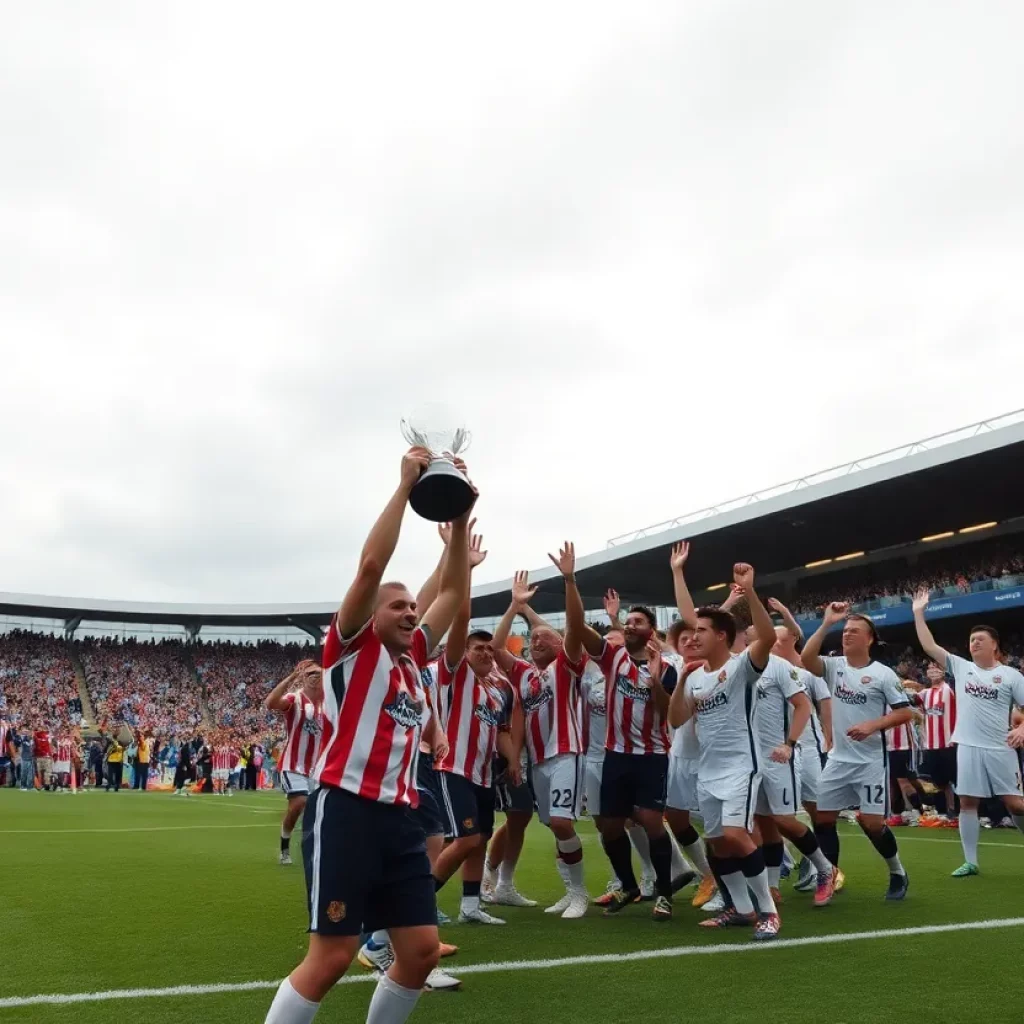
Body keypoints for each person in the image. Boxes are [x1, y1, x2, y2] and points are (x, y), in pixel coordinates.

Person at [263, 446, 475, 1024]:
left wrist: (456, 525)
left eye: (413, 606)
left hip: (401, 818)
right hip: (349, 810)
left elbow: (452, 595)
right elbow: (369, 569)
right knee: (331, 958)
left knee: (420, 951)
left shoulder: (414, 662)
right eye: (399, 606)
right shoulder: (351, 650)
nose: (412, 612)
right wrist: (406, 488)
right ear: (371, 616)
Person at [668, 563, 781, 940]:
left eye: (700, 630)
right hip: (708, 770)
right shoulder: (696, 675)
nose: (693, 635)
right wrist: (683, 678)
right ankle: (741, 910)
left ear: (721, 635)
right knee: (717, 843)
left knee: (735, 834)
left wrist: (749, 591)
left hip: (740, 768)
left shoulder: (740, 668)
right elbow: (676, 719)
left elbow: (765, 638)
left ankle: (768, 911)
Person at [491, 547, 590, 920]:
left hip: (566, 750)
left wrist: (569, 580)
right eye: (533, 638)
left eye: (545, 638)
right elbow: (499, 646)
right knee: (553, 825)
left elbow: (575, 626)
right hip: (538, 760)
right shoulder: (523, 673)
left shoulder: (565, 666)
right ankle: (569, 890)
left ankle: (579, 893)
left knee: (562, 822)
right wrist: (514, 607)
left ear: (559, 644)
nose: (537, 641)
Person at [801, 603, 914, 900]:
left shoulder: (883, 674)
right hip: (838, 759)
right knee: (823, 818)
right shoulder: (834, 666)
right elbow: (806, 658)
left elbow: (905, 713)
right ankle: (829, 875)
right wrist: (826, 623)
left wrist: (872, 725)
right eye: (845, 631)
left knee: (871, 823)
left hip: (870, 762)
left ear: (870, 639)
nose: (847, 635)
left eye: (854, 631)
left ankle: (897, 872)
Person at [912, 590, 1024, 876]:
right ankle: (971, 861)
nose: (973, 643)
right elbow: (928, 645)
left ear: (994, 646)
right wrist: (918, 613)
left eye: (980, 640)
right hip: (968, 746)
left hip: (1000, 747)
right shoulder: (961, 667)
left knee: (1015, 804)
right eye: (971, 640)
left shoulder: (1011, 675)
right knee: (968, 802)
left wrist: (1021, 728)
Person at [767, 599, 833, 892]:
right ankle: (798, 861)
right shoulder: (765, 670)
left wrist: (828, 736)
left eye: (779, 639)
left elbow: (824, 702)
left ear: (791, 640)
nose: (773, 644)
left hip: (808, 745)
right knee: (779, 814)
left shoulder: (806, 670)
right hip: (781, 751)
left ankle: (825, 864)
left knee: (816, 808)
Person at [265, 660, 325, 865]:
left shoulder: (330, 703)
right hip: (294, 764)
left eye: (318, 673)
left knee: (319, 811)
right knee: (299, 803)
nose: (314, 677)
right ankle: (284, 847)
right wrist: (291, 677)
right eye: (309, 674)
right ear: (303, 678)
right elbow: (270, 703)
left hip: (318, 768)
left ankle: (312, 849)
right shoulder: (296, 699)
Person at [914, 661, 958, 820]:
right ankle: (943, 811)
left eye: (936, 668)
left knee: (954, 780)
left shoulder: (948, 691)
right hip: (931, 745)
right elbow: (910, 699)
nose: (932, 671)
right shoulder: (926, 693)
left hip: (948, 743)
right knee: (935, 781)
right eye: (929, 668)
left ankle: (957, 811)